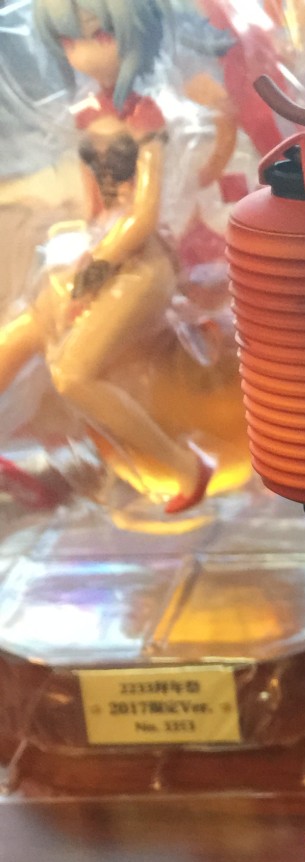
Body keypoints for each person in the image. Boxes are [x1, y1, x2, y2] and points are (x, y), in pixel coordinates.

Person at [0, 0, 210, 511]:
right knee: (24, 331)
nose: (84, 53)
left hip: (142, 261)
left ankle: (185, 467)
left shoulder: (146, 117)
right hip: (98, 248)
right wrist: (78, 260)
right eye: (70, 42)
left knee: (72, 372)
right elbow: (95, 205)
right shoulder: (87, 115)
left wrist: (97, 268)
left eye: (100, 37)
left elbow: (143, 214)